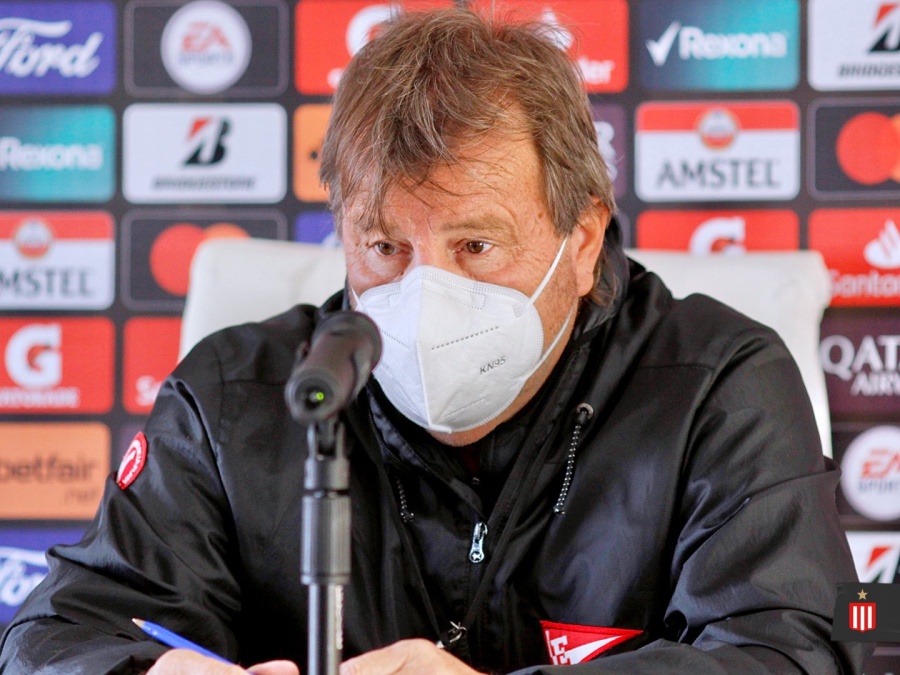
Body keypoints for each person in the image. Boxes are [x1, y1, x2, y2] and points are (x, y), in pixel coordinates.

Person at [0, 7, 868, 675]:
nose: (427, 290)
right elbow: (55, 633)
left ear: (583, 239)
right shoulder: (236, 395)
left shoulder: (717, 383)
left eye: (476, 245)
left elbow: (793, 653)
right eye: (385, 247)